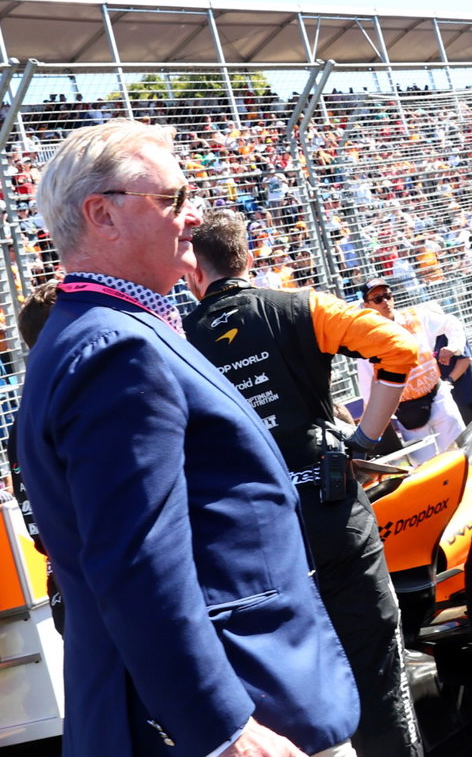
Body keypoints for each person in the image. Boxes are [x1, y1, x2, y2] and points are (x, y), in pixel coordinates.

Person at [15, 119, 359, 756]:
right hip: (235, 711)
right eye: (173, 199)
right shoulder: (115, 349)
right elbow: (137, 563)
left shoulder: (104, 330)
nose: (194, 216)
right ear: (102, 215)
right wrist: (223, 728)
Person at [184, 208, 427, 757]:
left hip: (258, 537)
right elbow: (398, 348)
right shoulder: (299, 306)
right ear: (248, 258)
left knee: (293, 690)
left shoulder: (178, 341)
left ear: (194, 273)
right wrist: (363, 440)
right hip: (331, 508)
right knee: (377, 667)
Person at [359, 278, 466, 461]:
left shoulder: (415, 317)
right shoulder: (367, 339)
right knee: (424, 465)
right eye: (377, 299)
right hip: (407, 411)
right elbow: (367, 388)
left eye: (387, 296)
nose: (385, 302)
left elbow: (451, 322)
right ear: (367, 305)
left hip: (437, 396)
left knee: (459, 452)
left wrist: (454, 347)